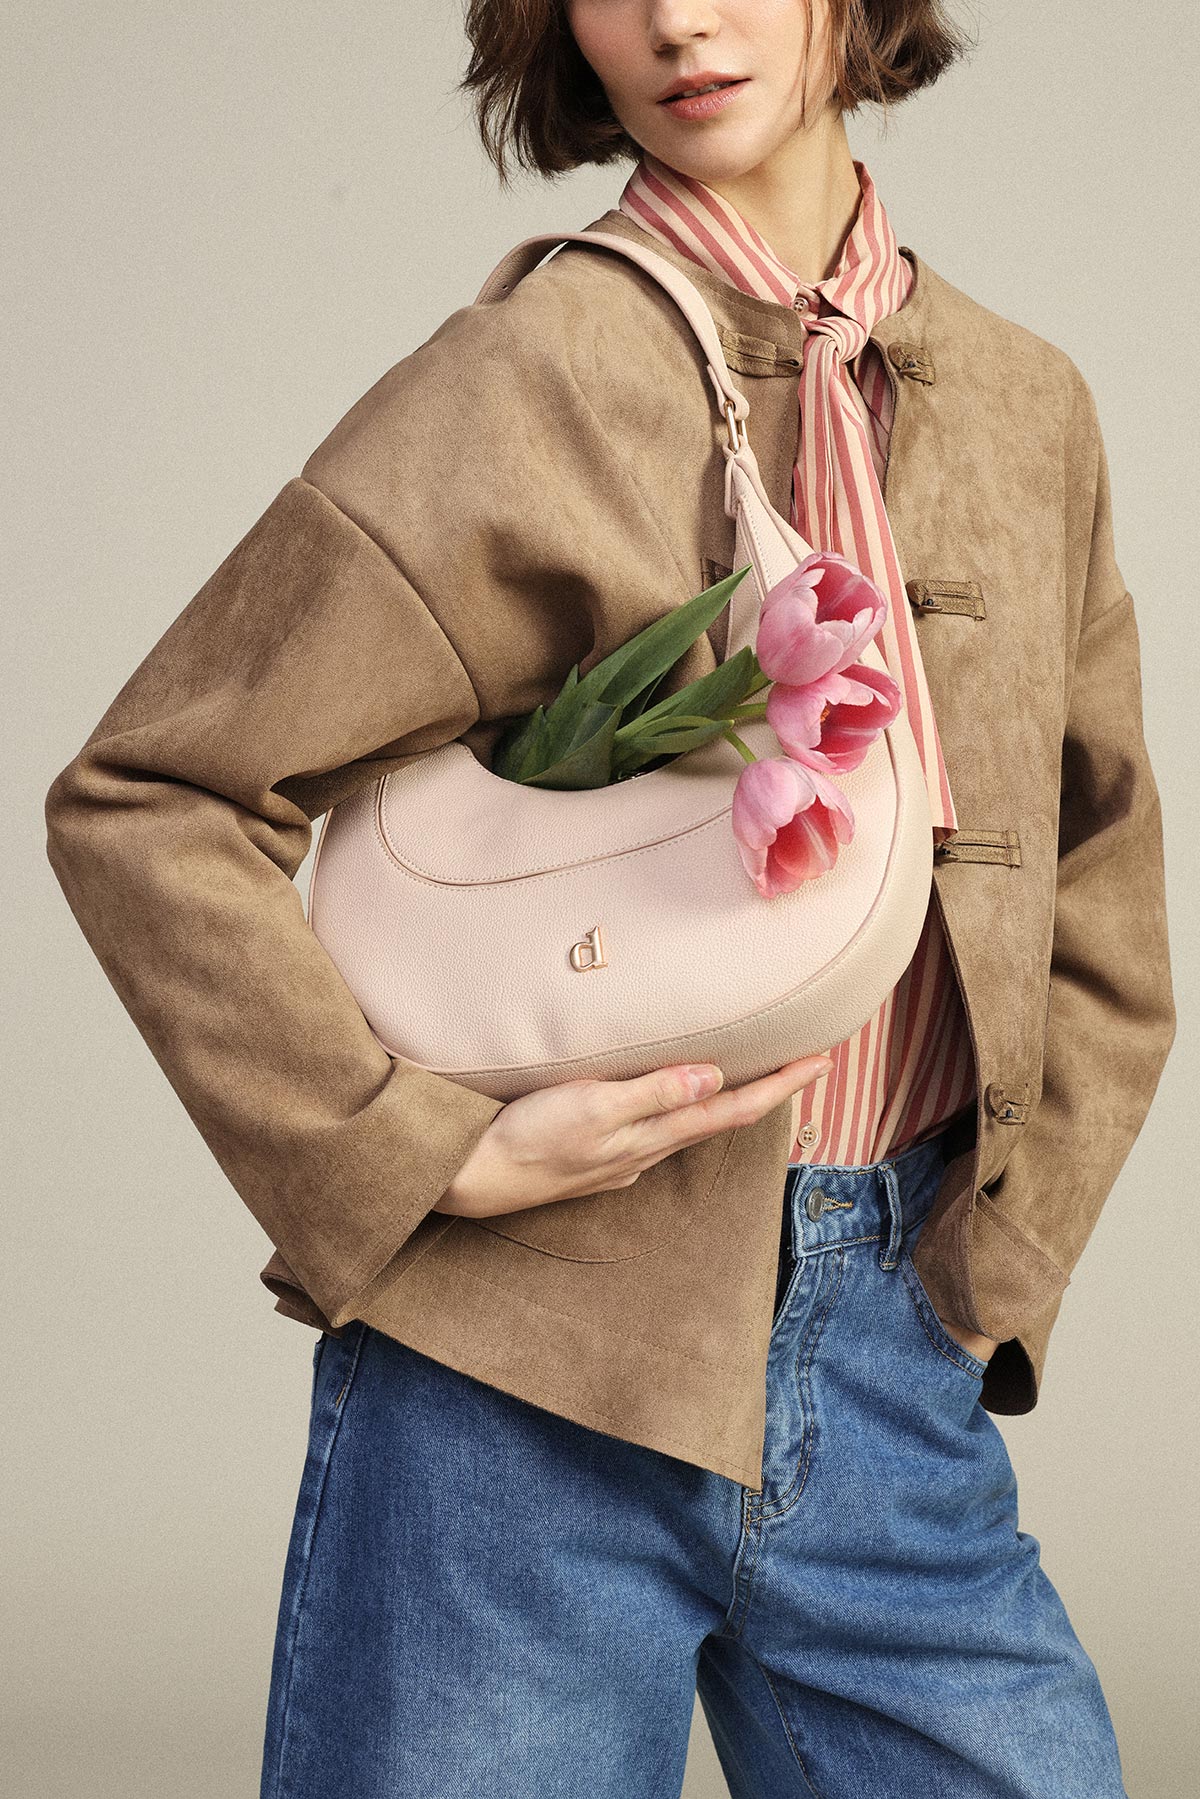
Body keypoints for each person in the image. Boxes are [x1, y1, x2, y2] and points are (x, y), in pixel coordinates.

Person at [43, 3, 1175, 1796]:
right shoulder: (535, 372)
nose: (675, 17)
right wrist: (403, 1156)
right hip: (524, 1390)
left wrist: (991, 1273)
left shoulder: (1028, 405)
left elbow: (1101, 875)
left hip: (893, 1361)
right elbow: (153, 797)